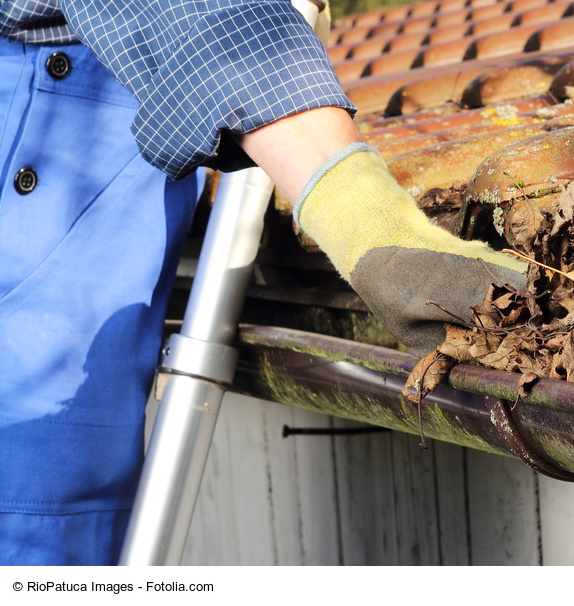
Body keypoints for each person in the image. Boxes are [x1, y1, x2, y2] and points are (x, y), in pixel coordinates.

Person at [0, 0, 526, 565]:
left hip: (100, 93)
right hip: (51, 97)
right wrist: (366, 219)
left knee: (59, 518)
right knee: (31, 507)